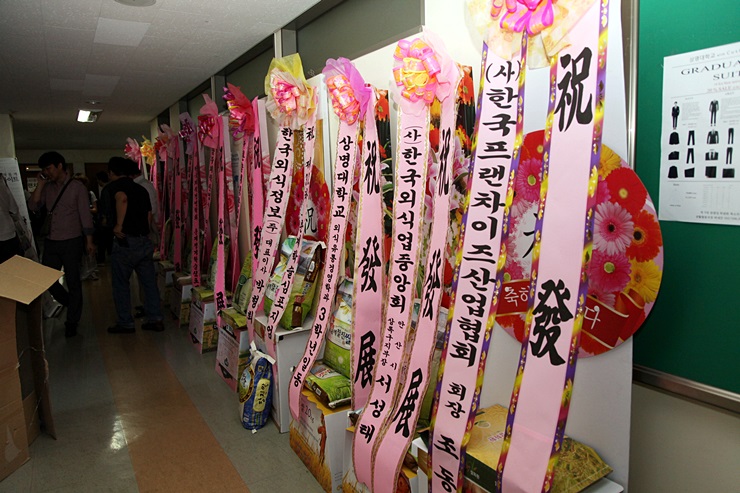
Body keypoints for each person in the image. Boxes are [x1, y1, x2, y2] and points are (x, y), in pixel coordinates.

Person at [28, 151, 95, 338]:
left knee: (73, 281)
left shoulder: (77, 187)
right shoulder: (48, 188)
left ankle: (72, 321)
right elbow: (33, 206)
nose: (46, 172)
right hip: (52, 241)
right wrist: (40, 184)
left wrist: (89, 241)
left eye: (48, 168)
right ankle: (71, 303)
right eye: (44, 169)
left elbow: (85, 215)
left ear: (59, 166)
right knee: (47, 279)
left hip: (72, 240)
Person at [105, 157, 163, 333]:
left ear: (111, 172)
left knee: (121, 284)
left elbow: (122, 199)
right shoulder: (141, 189)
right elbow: (149, 215)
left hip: (125, 241)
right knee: (149, 283)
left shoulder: (114, 188)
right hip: (143, 240)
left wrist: (119, 225)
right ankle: (155, 318)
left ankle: (125, 322)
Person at [0, 174, 22, 264]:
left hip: (6, 233)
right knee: (13, 267)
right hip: (8, 233)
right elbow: (14, 209)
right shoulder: (2, 182)